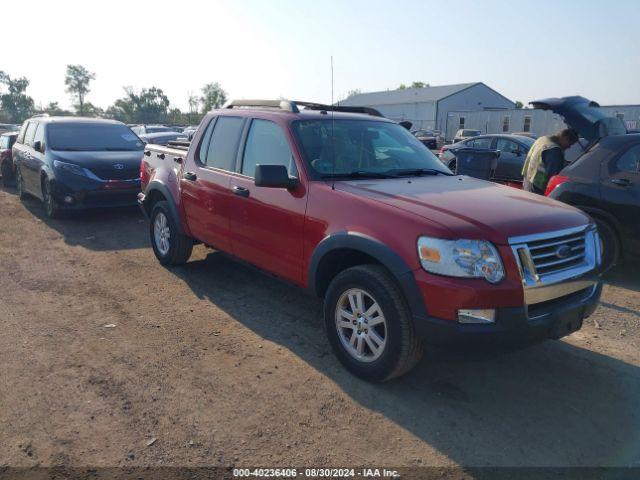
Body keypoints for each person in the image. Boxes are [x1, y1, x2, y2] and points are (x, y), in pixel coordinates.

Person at [522, 128, 579, 194]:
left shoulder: (542, 139)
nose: (569, 147)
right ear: (565, 138)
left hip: (527, 180)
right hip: (539, 186)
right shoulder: (554, 150)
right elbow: (552, 174)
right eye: (570, 144)